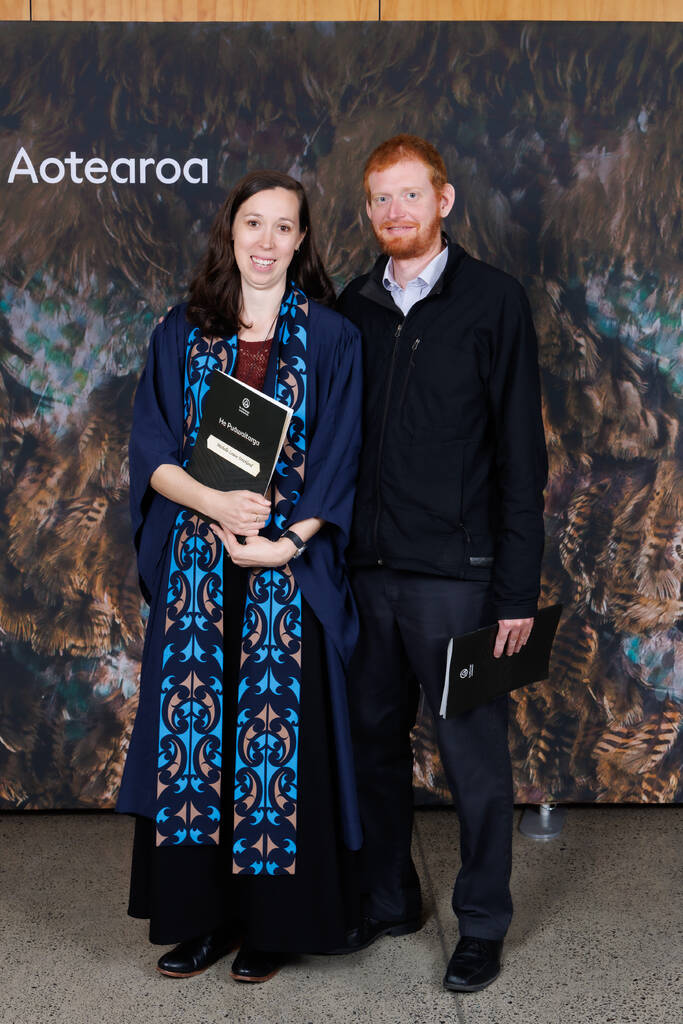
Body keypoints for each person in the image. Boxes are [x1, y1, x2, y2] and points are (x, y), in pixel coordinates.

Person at [117, 170, 363, 984]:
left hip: (281, 573)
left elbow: (338, 459)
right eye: (251, 224)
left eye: (282, 227)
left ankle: (271, 923)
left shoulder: (330, 338)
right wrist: (214, 502)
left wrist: (288, 542)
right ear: (230, 233)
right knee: (199, 745)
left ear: (301, 240)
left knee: (274, 753)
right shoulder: (180, 332)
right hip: (197, 568)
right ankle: (200, 919)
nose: (264, 241)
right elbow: (152, 453)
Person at [337, 135, 547, 992]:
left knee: (474, 764)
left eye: (408, 196)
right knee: (371, 749)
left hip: (462, 585)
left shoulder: (495, 302)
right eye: (379, 200)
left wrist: (515, 593)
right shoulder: (349, 307)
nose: (393, 213)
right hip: (364, 577)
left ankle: (483, 925)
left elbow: (522, 458)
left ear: (444, 201)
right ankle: (391, 898)